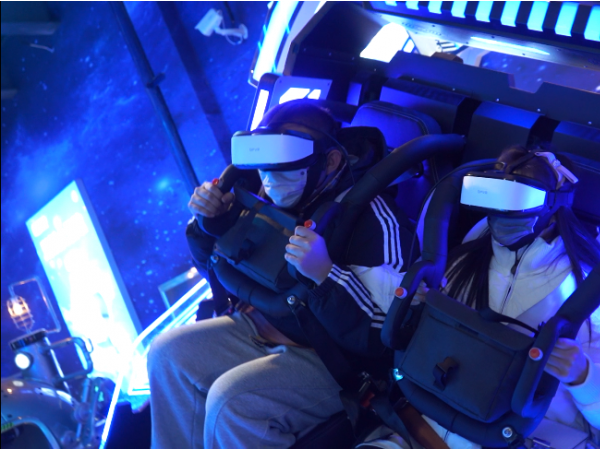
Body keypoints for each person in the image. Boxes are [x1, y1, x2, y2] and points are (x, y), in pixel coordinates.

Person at [147, 100, 412, 448]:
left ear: (331, 161)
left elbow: (384, 336)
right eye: (265, 170)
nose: (271, 181)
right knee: (166, 354)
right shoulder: (260, 193)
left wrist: (326, 275)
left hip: (331, 355)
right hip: (265, 323)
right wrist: (209, 225)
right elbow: (218, 268)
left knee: (231, 404)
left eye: (286, 170)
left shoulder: (374, 218)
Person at [382, 145, 600, 449]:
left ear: (554, 201)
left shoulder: (586, 287)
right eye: (494, 194)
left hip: (529, 436)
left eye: (517, 197)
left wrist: (583, 376)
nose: (501, 213)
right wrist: (421, 308)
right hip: (432, 420)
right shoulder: (466, 256)